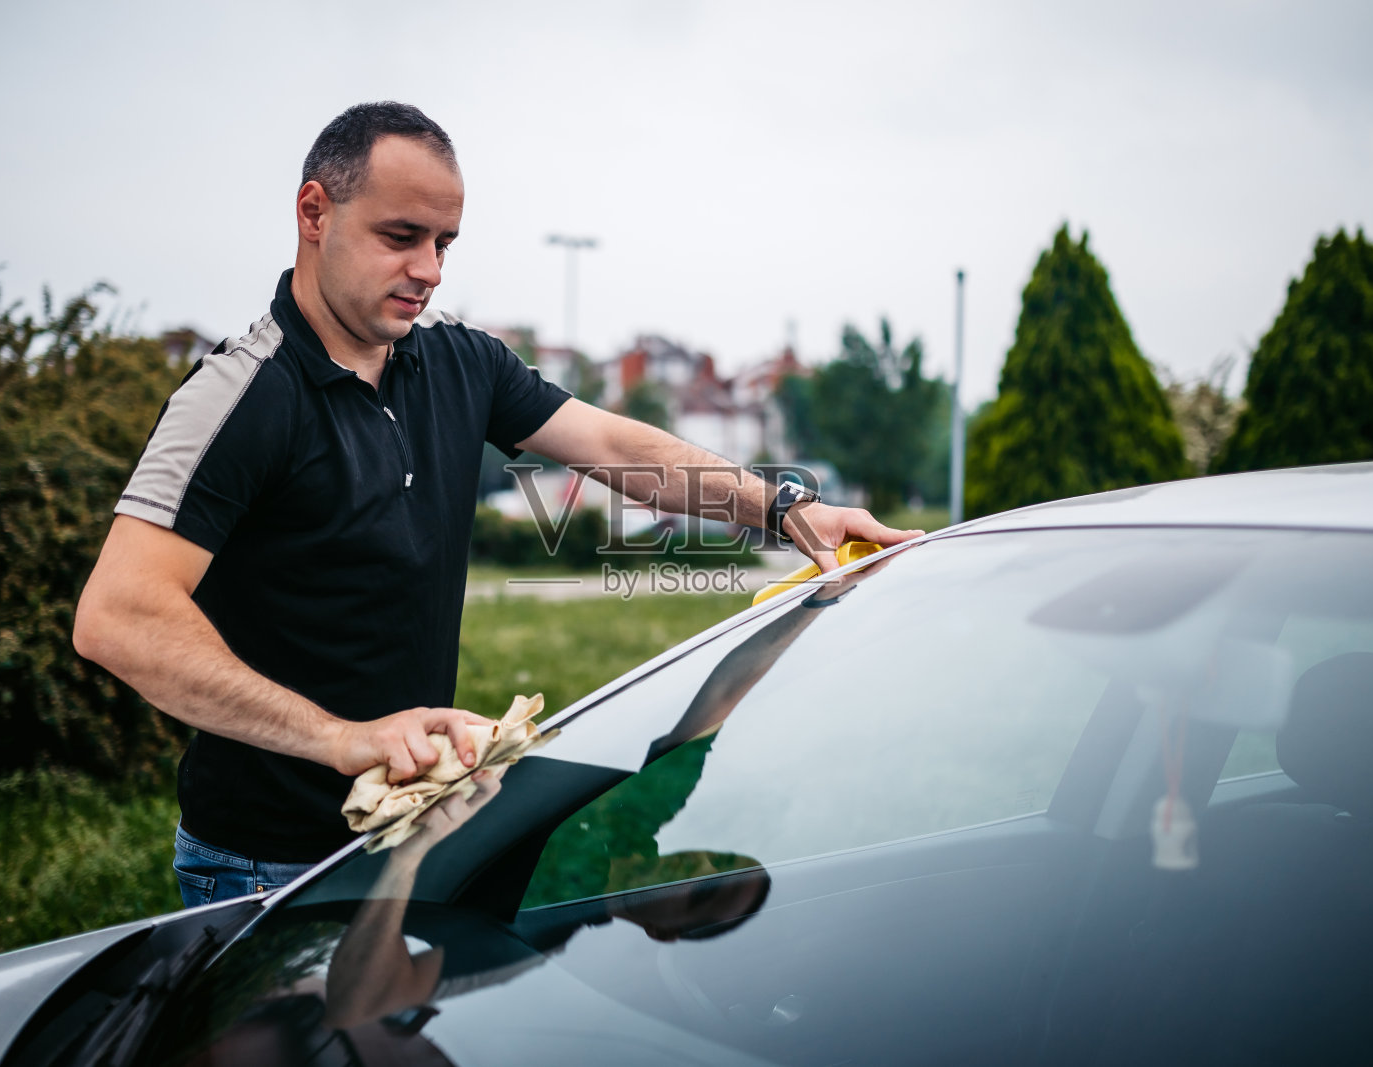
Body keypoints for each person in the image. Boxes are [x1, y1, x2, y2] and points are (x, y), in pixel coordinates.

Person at [72, 101, 922, 907]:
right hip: (267, 867)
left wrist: (785, 509)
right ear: (314, 212)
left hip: (416, 833)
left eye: (444, 242)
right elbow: (119, 615)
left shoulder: (460, 363)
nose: (430, 272)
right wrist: (341, 739)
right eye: (401, 237)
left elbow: (618, 448)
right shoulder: (241, 395)